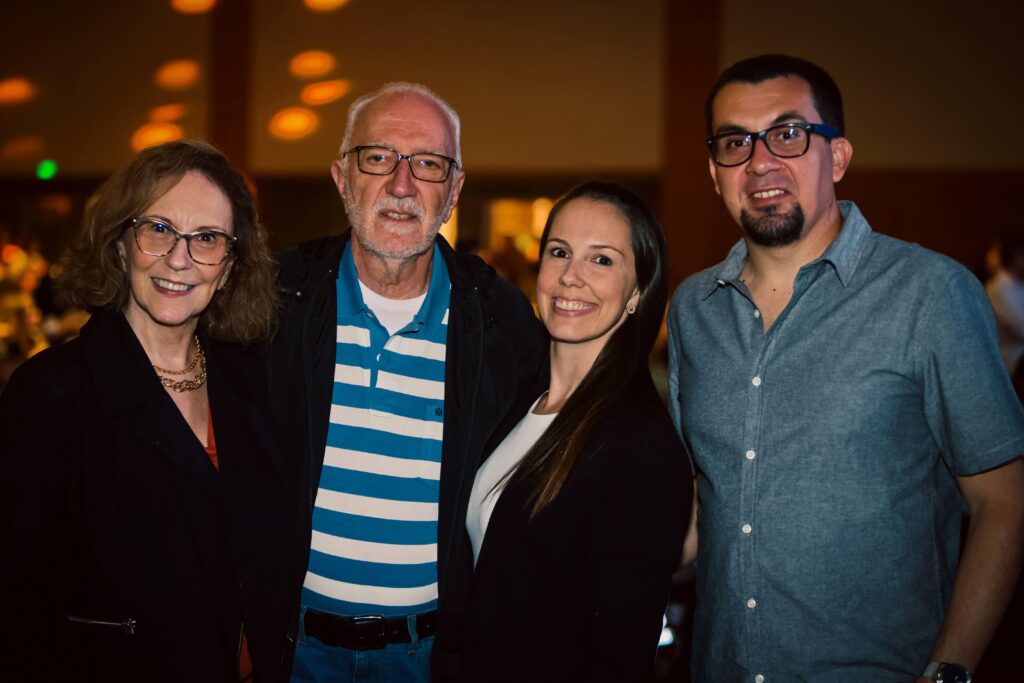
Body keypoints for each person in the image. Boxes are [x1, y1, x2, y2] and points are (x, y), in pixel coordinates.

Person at [667, 54, 1024, 683]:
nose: (759, 162)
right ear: (714, 174)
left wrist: (949, 670)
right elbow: (706, 499)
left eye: (787, 134)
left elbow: (1004, 502)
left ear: (836, 157)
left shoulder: (930, 293)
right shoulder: (694, 310)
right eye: (734, 143)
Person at [266, 82, 545, 682]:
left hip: (432, 659)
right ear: (342, 178)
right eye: (378, 158)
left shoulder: (502, 320)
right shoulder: (273, 301)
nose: (401, 184)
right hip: (292, 650)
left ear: (454, 191)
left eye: (427, 164)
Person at [0, 139, 293, 681]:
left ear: (228, 267)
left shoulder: (250, 384)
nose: (180, 259)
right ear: (120, 244)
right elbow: (16, 607)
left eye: (206, 238)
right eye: (159, 229)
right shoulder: (53, 393)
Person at [434, 181, 690, 682]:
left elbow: (619, 659)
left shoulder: (641, 448)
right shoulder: (514, 400)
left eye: (602, 260)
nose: (572, 276)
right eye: (560, 252)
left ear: (638, 292)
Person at [987, 232, 1024, 399]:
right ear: (1017, 256)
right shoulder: (998, 289)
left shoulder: (1017, 285)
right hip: (1013, 361)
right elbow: (1021, 329)